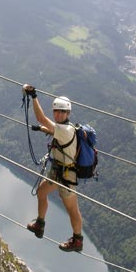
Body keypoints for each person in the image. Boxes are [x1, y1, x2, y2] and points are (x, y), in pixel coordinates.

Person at [23, 84, 83, 252]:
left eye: (62, 112)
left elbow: (42, 118)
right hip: (57, 170)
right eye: (56, 111)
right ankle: (39, 225)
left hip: (67, 175)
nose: (59, 114)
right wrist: (43, 130)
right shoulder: (64, 128)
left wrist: (33, 96)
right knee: (41, 192)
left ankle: (77, 240)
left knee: (71, 208)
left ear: (68, 113)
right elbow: (53, 131)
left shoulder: (65, 129)